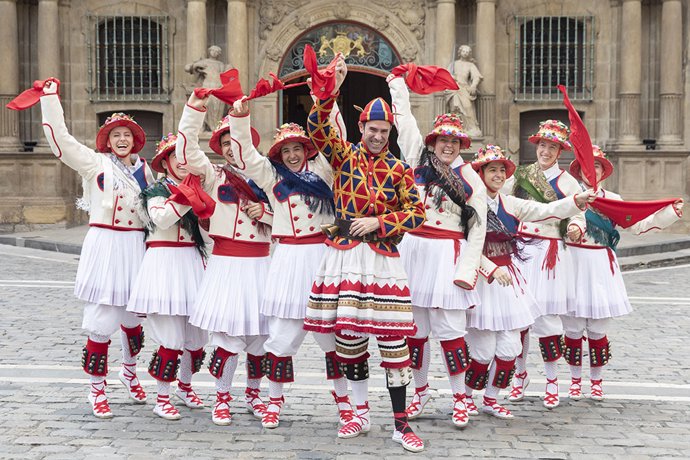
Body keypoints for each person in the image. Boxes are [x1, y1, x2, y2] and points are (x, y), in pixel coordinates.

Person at [303, 58, 427, 452]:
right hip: (344, 257)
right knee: (349, 340)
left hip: (383, 260)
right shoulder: (343, 157)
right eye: (372, 129)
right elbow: (320, 130)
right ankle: (357, 412)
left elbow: (417, 214)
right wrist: (327, 93)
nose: (377, 135)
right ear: (361, 128)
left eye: (384, 130)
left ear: (390, 131)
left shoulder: (399, 168)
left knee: (394, 344)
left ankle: (401, 423)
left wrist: (380, 222)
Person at [228, 98, 355, 428]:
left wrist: (327, 100)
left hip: (322, 258)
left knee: (334, 339)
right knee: (282, 338)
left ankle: (345, 402)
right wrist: (239, 119)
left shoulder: (324, 171)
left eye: (298, 148)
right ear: (279, 156)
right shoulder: (272, 178)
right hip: (288, 258)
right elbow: (245, 156)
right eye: (286, 151)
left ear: (307, 150)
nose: (293, 155)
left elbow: (337, 140)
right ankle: (274, 401)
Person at [39, 80, 154, 418]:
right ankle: (96, 389)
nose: (122, 140)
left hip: (135, 246)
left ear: (135, 141)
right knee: (102, 320)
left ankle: (129, 372)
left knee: (134, 320)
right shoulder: (94, 163)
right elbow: (62, 142)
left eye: (127, 135)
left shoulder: (145, 171)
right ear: (108, 140)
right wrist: (49, 99)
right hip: (105, 244)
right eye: (116, 135)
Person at [465, 145, 594, 418]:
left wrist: (575, 203)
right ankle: (464, 398)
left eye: (502, 170)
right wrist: (488, 269)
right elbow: (465, 244)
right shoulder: (469, 203)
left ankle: (490, 398)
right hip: (484, 278)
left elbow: (542, 210)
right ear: (481, 173)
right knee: (483, 349)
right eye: (493, 170)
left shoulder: (509, 203)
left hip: (511, 277)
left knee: (510, 345)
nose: (499, 175)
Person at [388, 74, 487, 429]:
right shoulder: (419, 159)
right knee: (414, 331)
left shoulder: (471, 178)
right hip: (415, 251)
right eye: (443, 140)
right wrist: (397, 85)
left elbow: (478, 231)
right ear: (434, 142)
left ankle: (461, 398)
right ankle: (420, 390)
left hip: (448, 254)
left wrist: (467, 270)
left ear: (462, 144)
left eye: (454, 141)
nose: (448, 145)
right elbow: (404, 123)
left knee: (451, 332)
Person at [177, 93, 273, 426]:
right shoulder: (212, 174)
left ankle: (254, 394)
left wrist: (267, 213)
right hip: (227, 262)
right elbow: (186, 151)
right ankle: (221, 397)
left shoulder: (266, 176)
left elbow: (292, 216)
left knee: (261, 336)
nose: (233, 148)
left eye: (237, 141)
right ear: (220, 147)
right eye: (226, 143)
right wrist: (194, 109)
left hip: (261, 261)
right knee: (228, 336)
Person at [563, 146, 684, 401]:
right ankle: (574, 380)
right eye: (587, 165)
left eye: (596, 166)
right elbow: (552, 224)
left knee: (597, 329)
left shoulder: (613, 200)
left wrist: (669, 212)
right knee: (572, 328)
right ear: (579, 171)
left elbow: (638, 224)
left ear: (603, 171)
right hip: (572, 263)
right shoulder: (567, 196)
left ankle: (596, 381)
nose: (591, 171)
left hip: (599, 265)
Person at [504, 120, 586, 409]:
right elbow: (503, 205)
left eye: (552, 147)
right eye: (542, 145)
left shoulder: (567, 182)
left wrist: (576, 226)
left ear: (560, 151)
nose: (546, 151)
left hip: (550, 252)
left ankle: (552, 381)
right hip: (521, 249)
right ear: (535, 146)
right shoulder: (520, 175)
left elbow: (578, 213)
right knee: (518, 319)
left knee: (548, 319)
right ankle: (519, 375)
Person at [126, 133, 209, 420]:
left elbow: (209, 231)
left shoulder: (200, 186)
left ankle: (184, 387)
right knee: (171, 338)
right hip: (164, 263)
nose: (182, 162)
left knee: (196, 338)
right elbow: (161, 218)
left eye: (185, 156)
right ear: (166, 162)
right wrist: (189, 196)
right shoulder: (155, 190)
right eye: (175, 156)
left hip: (192, 262)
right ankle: (162, 396)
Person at [185, 45, 227, 131]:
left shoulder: (221, 64)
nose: (214, 53)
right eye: (213, 50)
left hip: (217, 87)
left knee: (217, 107)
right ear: (209, 51)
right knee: (205, 105)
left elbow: (223, 75)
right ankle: (203, 127)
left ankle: (215, 127)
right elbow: (188, 68)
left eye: (217, 51)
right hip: (207, 86)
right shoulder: (205, 62)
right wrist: (196, 65)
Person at [447, 45, 483, 138]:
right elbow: (446, 75)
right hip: (455, 88)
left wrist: (474, 85)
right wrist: (452, 77)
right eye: (464, 51)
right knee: (455, 107)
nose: (465, 53)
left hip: (465, 88)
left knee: (468, 107)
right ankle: (458, 127)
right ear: (460, 52)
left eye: (467, 52)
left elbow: (476, 76)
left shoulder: (471, 65)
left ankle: (471, 129)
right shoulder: (453, 64)